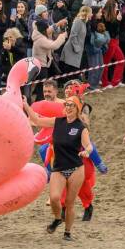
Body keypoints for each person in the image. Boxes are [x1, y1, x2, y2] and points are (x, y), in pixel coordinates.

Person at [30, 95, 93, 241]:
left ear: (77, 108)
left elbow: (88, 144)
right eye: (66, 104)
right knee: (54, 198)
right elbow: (38, 120)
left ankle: (67, 232)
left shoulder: (81, 127)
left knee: (70, 203)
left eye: (71, 105)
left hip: (76, 168)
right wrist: (26, 105)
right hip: (58, 168)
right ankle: (58, 219)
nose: (68, 107)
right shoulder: (58, 121)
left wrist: (87, 151)